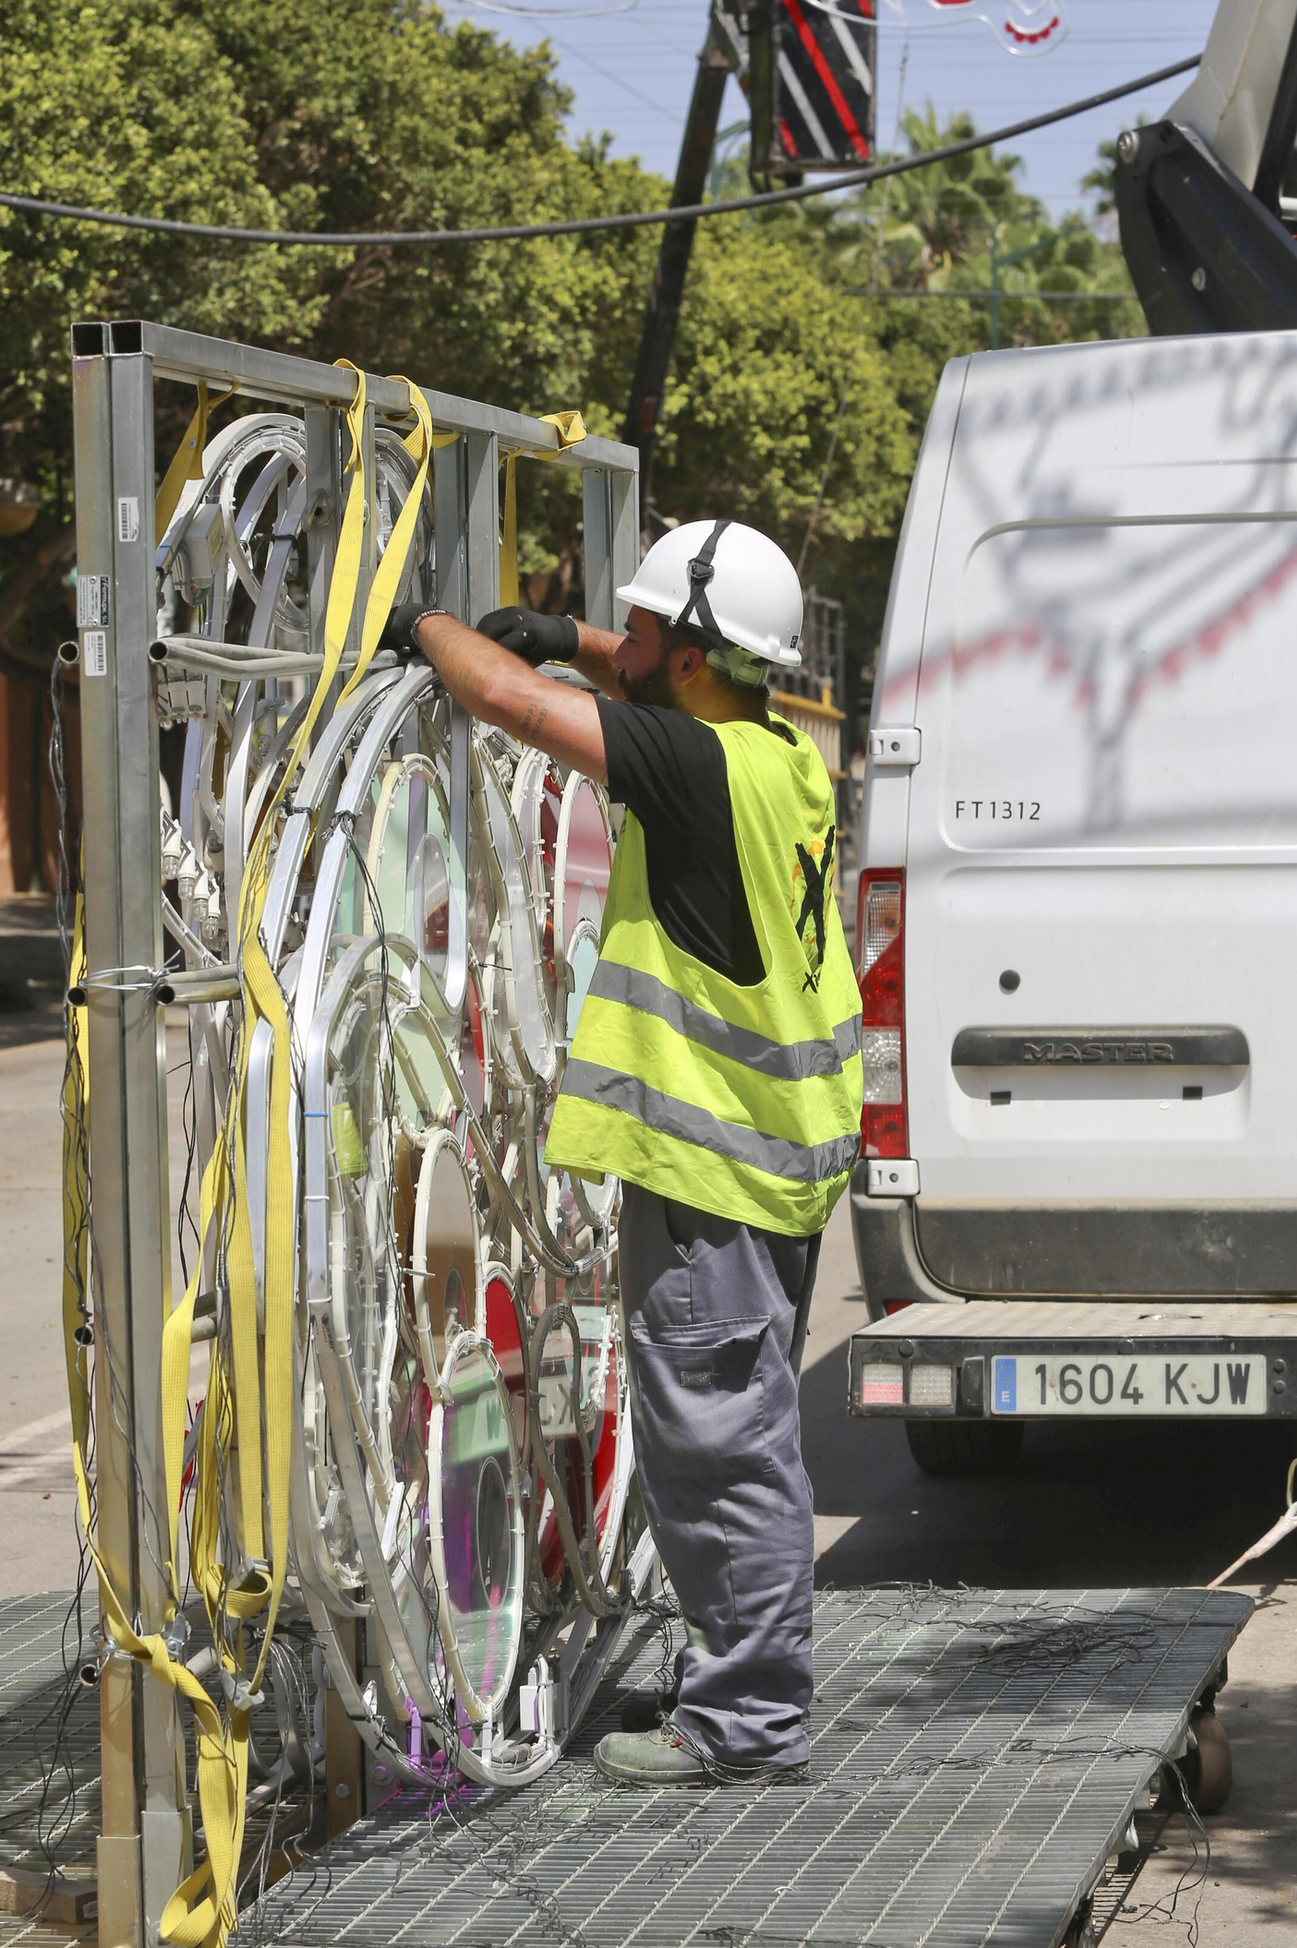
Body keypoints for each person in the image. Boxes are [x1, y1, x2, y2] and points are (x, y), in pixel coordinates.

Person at [385, 518, 864, 1787]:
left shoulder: (691, 765)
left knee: (718, 1447)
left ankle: (745, 1721)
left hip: (715, 1171)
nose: (622, 642)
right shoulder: (775, 749)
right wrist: (569, 635)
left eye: (639, 629)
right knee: (739, 1428)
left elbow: (505, 703)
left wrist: (422, 624)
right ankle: (744, 1688)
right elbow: (636, 672)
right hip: (775, 1159)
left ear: (692, 658)